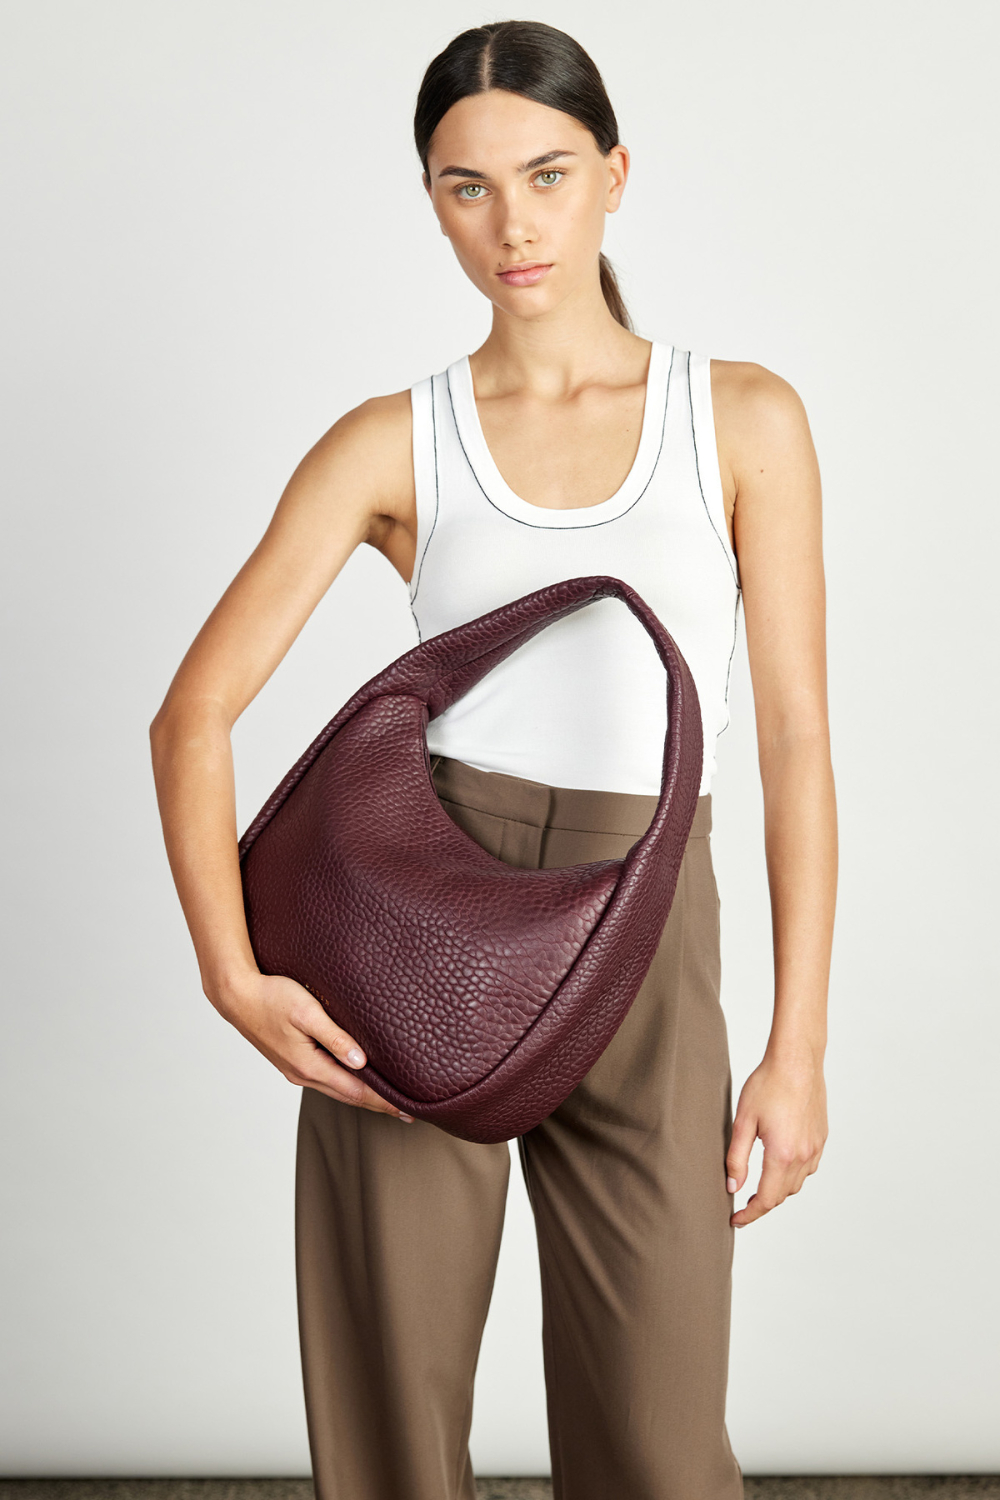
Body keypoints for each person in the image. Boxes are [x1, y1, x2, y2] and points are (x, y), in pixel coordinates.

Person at [150, 20, 836, 1500]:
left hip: (650, 911)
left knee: (660, 1445)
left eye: (546, 174)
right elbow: (190, 714)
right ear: (433, 201)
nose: (513, 223)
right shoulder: (392, 441)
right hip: (417, 922)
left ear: (614, 175)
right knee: (390, 1427)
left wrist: (797, 1048)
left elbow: (793, 740)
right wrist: (231, 976)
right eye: (469, 187)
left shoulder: (741, 418)